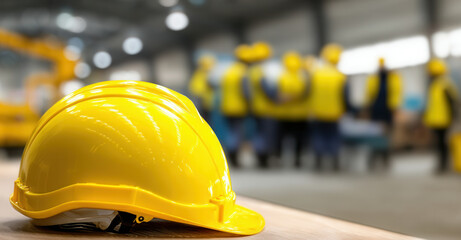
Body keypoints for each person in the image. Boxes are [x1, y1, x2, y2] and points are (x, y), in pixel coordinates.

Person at [309, 44, 350, 171]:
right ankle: (335, 163)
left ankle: (318, 163)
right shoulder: (340, 76)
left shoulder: (315, 74)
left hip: (317, 112)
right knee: (333, 137)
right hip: (335, 113)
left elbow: (308, 93)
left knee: (319, 136)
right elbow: (345, 96)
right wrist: (346, 110)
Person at [364, 57, 402, 170]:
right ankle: (374, 158)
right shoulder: (373, 78)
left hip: (388, 110)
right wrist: (367, 108)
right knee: (374, 135)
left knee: (386, 135)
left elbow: (397, 92)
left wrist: (395, 109)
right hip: (375, 110)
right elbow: (368, 93)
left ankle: (385, 158)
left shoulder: (394, 78)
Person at [274, 51, 309, 168]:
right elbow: (306, 94)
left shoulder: (281, 77)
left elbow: (277, 94)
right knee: (299, 139)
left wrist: (285, 98)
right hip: (300, 114)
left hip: (283, 114)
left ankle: (279, 158)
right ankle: (297, 160)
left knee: (281, 138)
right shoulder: (303, 77)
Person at [219, 44, 252, 167]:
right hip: (238, 108)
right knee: (237, 132)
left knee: (231, 132)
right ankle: (235, 157)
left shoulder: (229, 70)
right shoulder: (243, 72)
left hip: (226, 107)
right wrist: (250, 105)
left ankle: (231, 155)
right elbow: (246, 92)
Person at [424, 58, 458, 173]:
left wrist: (454, 119)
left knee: (443, 143)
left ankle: (444, 165)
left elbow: (453, 103)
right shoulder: (435, 85)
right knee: (440, 143)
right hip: (436, 119)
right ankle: (442, 164)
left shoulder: (444, 85)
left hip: (445, 119)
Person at [247, 42, 277, 168]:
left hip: (255, 107)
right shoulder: (260, 72)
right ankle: (263, 159)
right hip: (265, 108)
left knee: (258, 134)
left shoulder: (251, 71)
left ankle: (260, 158)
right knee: (266, 135)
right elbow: (268, 92)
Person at [188, 54, 216, 122]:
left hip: (206, 103)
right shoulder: (203, 74)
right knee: (207, 121)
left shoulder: (200, 74)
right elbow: (197, 89)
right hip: (204, 103)